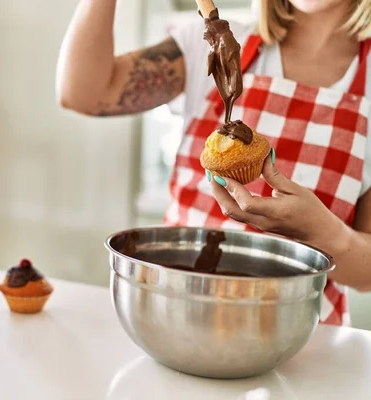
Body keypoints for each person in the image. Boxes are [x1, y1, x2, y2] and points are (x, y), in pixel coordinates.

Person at [56, 0, 371, 326]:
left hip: (298, 339)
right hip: (174, 320)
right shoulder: (211, 47)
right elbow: (81, 94)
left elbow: (367, 275)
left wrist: (324, 234)